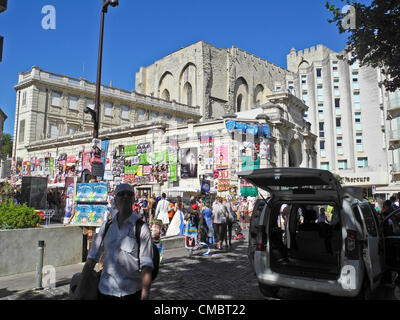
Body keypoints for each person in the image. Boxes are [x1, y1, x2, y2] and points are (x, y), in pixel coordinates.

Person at [75, 183, 153, 300]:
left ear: (133, 199)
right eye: (121, 194)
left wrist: (145, 294)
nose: (125, 197)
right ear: (115, 200)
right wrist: (80, 289)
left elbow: (146, 265)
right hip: (105, 290)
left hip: (131, 292)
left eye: (129, 194)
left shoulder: (142, 228)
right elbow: (91, 258)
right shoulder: (106, 227)